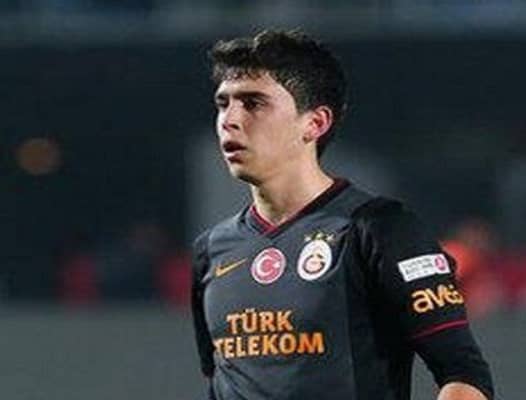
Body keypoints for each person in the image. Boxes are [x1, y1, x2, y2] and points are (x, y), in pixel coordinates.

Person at [191, 29, 494, 400]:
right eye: (223, 104)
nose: (230, 119)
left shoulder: (380, 230)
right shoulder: (212, 250)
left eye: (253, 103)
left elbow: (464, 376)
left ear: (315, 123)